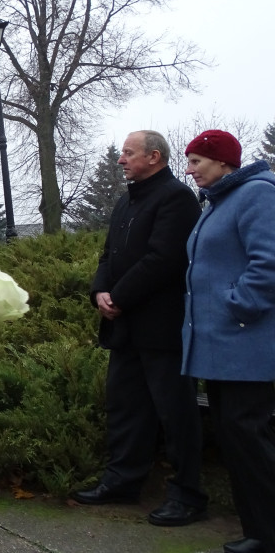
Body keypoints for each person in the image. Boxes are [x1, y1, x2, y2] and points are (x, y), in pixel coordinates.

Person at [73, 130, 207, 526]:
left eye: (128, 154)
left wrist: (119, 296)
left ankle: (188, 495)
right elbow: (108, 253)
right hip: (125, 328)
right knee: (125, 407)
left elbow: (164, 258)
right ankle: (122, 481)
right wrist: (100, 290)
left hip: (161, 329)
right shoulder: (126, 201)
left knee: (176, 412)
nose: (121, 160)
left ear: (154, 156)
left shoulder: (176, 198)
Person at [182, 130, 275, 553]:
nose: (190, 169)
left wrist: (237, 306)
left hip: (246, 345)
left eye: (197, 161)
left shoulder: (256, 194)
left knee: (247, 435)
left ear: (223, 163)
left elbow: (268, 262)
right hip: (220, 346)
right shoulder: (217, 203)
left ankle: (266, 532)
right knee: (235, 435)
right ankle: (256, 527)